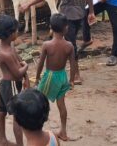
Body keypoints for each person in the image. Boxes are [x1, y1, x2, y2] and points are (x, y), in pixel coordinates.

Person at [20, 0, 96, 84]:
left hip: (68, 14)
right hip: (81, 12)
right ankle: (73, 72)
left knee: (70, 46)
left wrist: (29, 4)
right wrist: (91, 11)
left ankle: (76, 76)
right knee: (71, 43)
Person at [35, 13, 75, 141]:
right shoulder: (69, 46)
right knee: (61, 104)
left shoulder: (47, 45)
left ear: (51, 28)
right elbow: (73, 65)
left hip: (50, 76)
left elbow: (40, 63)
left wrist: (37, 78)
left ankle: (37, 131)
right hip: (63, 76)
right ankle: (63, 131)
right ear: (66, 28)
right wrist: (72, 80)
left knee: (39, 101)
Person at [0, 15, 30, 146]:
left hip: (6, 85)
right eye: (15, 30)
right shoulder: (5, 53)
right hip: (12, 85)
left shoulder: (8, 45)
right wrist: (26, 66)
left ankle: (3, 140)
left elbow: (18, 60)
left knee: (1, 111)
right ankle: (19, 144)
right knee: (17, 116)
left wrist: (26, 77)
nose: (17, 32)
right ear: (9, 34)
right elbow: (17, 73)